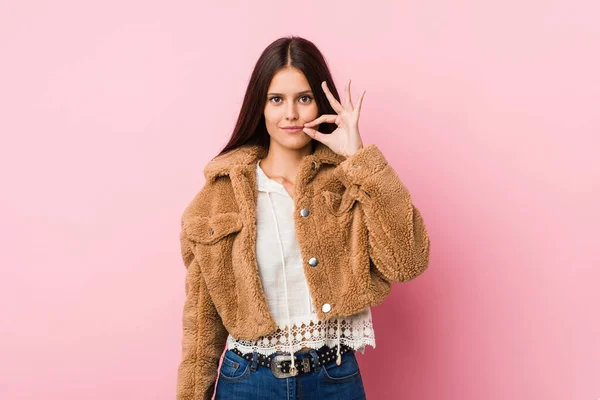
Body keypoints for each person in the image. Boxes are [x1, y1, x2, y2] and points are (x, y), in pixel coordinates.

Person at [175, 36, 431, 400]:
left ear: (321, 105)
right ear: (259, 107)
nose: (291, 114)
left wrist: (359, 158)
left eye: (304, 98)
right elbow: (202, 324)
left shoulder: (350, 179)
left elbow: (408, 262)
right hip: (247, 382)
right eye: (276, 99)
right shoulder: (218, 199)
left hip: (334, 381)